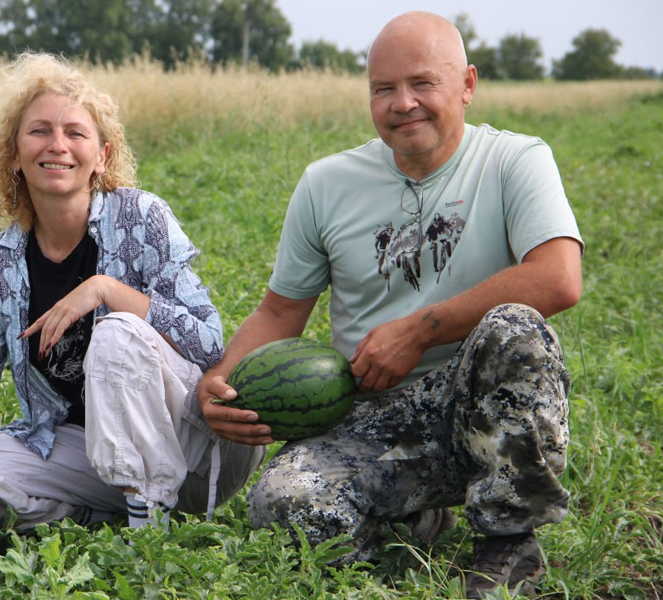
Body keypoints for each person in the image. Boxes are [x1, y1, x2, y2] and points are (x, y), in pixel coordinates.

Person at [198, 11, 582, 600]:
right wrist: (220, 382)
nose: (403, 103)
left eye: (422, 83)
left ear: (467, 85)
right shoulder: (326, 183)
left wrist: (421, 330)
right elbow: (280, 311)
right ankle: (417, 518)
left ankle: (508, 543)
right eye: (384, 89)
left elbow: (558, 279)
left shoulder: (515, 161)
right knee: (281, 503)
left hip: (484, 403)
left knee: (515, 329)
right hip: (373, 415)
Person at [0, 52, 264, 534]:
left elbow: (209, 342)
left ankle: (148, 530)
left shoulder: (142, 217)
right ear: (13, 154)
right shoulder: (0, 265)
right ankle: (103, 513)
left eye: (75, 132)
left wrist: (106, 289)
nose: (57, 145)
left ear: (101, 156)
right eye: (39, 131)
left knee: (116, 334)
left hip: (197, 446)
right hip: (93, 451)